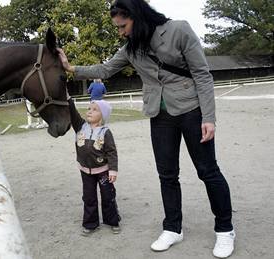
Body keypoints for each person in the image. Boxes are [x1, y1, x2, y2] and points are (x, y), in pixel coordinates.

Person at [58, 0, 234, 258]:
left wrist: (209, 117)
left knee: (208, 171)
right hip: (159, 115)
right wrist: (71, 67)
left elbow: (202, 74)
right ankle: (173, 228)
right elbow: (105, 69)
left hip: (191, 110)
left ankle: (225, 229)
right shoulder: (131, 48)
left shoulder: (178, 30)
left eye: (123, 26)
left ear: (137, 16)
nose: (121, 32)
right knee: (167, 175)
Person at [65, 90, 121, 236]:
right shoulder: (80, 126)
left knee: (108, 196)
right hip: (85, 171)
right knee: (89, 198)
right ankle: (91, 224)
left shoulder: (105, 132)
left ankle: (112, 220)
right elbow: (72, 112)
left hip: (103, 171)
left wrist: (113, 170)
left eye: (95, 110)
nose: (89, 111)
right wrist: (68, 98)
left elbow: (112, 152)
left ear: (102, 116)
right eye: (89, 108)